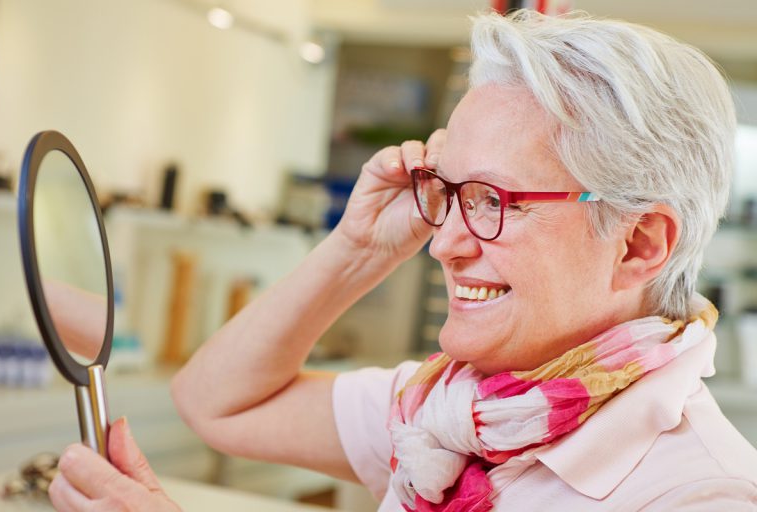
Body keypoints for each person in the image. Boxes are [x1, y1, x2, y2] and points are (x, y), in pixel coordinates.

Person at [49, 8, 757, 511]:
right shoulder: (448, 410)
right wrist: (358, 249)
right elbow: (213, 402)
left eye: (492, 199)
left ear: (638, 245)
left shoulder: (699, 493)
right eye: (447, 192)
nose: (445, 241)